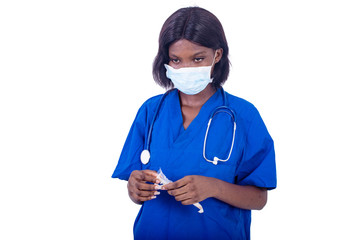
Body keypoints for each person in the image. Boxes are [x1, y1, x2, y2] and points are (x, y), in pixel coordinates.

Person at [112, 6, 276, 240]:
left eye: (197, 58)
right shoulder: (151, 111)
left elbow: (259, 199)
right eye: (176, 60)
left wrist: (214, 187)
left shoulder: (243, 116)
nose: (185, 69)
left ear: (217, 55)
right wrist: (135, 189)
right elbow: (135, 189)